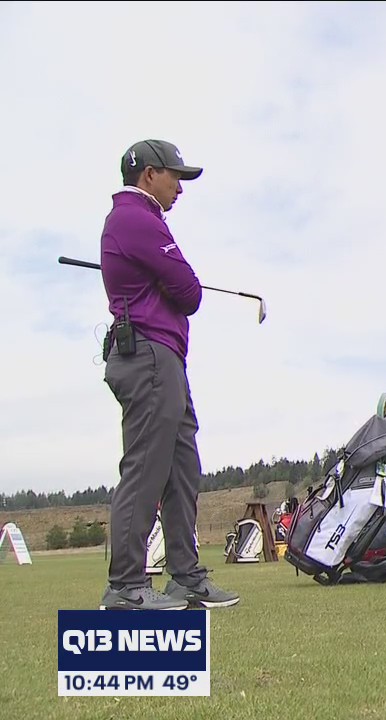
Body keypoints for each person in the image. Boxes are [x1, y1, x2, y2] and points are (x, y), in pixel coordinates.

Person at [98, 139, 240, 610]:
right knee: (146, 468)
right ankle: (126, 587)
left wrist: (173, 283)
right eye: (175, 176)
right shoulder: (134, 217)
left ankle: (185, 577)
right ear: (149, 175)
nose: (180, 187)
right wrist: (174, 282)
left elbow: (182, 289)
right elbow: (189, 291)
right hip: (149, 357)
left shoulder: (145, 220)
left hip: (166, 359)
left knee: (182, 469)